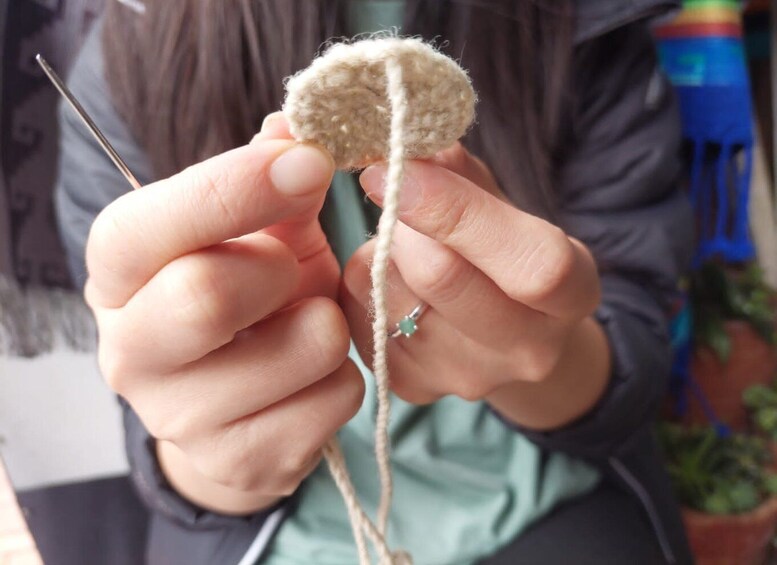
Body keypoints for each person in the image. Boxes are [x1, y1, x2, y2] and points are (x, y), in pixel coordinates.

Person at [55, 1, 695, 563]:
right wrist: (213, 449)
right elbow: (161, 436)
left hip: (554, 492)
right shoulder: (131, 52)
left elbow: (634, 337)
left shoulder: (582, 21)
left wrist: (548, 353)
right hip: (272, 534)